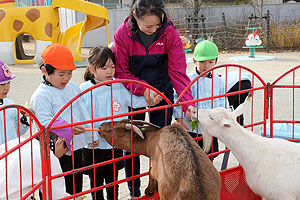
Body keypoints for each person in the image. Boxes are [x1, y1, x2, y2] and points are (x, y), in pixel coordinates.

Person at [112, 0, 195, 197]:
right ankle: (134, 191)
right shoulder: (122, 34)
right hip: (135, 94)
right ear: (135, 17)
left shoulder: (170, 34)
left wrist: (187, 103)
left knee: (161, 145)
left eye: (157, 24)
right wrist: (143, 91)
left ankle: (157, 189)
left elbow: (178, 72)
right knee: (132, 143)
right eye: (148, 25)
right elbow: (122, 71)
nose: (154, 29)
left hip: (163, 94)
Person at [80, 46, 161, 200]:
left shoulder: (119, 85)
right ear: (92, 69)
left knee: (112, 180)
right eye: (104, 68)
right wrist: (88, 135)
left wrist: (150, 99)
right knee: (96, 181)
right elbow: (79, 115)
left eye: (112, 66)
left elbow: (135, 100)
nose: (109, 71)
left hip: (115, 142)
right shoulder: (84, 90)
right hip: (94, 143)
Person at [30, 43, 97, 195]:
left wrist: (90, 134)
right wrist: (69, 128)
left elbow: (82, 110)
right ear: (45, 71)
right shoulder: (41, 96)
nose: (66, 78)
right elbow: (44, 124)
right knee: (54, 188)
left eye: (69, 73)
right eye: (61, 74)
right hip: (55, 152)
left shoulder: (72, 87)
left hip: (76, 147)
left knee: (75, 185)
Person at [173, 40, 229, 156]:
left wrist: (224, 116)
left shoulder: (218, 81)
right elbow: (178, 98)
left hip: (211, 125)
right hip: (192, 126)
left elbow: (223, 100)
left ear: (216, 62)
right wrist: (179, 118)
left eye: (210, 62)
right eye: (202, 62)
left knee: (212, 153)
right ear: (194, 61)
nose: (206, 66)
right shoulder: (188, 80)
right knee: (193, 154)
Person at [0, 61, 30, 145]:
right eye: (2, 84)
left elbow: (18, 132)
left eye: (8, 82)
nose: (7, 87)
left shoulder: (10, 105)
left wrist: (24, 120)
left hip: (11, 152)